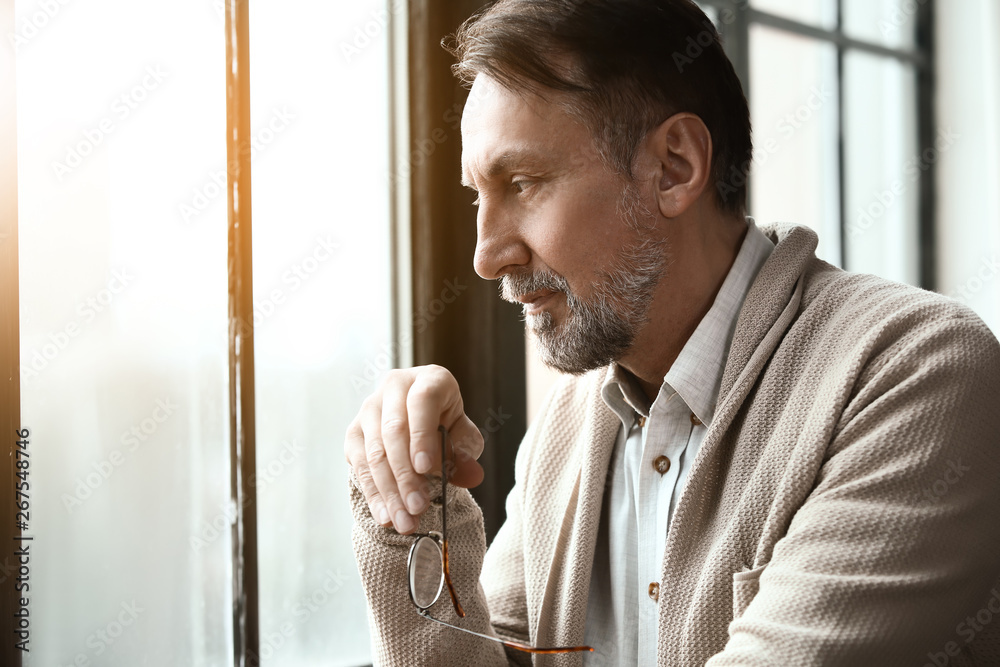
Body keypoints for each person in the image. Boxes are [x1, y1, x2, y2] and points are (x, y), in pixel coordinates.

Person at [343, 1, 1000, 664]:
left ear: (676, 166)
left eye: (523, 181)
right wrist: (411, 507)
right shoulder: (565, 428)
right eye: (477, 195)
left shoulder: (919, 374)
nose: (487, 255)